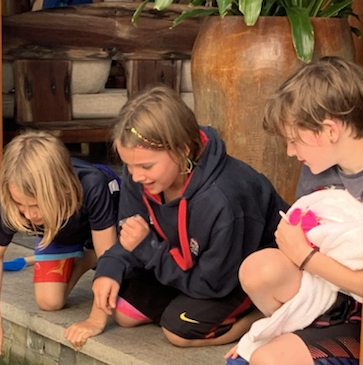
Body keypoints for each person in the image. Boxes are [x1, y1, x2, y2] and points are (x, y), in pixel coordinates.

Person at [65, 84, 288, 350]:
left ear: (182, 150)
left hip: (236, 278)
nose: (136, 176)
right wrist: (109, 269)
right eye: (129, 166)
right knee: (121, 307)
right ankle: (185, 304)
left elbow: (213, 285)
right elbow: (129, 237)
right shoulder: (142, 178)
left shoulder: (224, 198)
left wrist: (150, 250)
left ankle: (262, 318)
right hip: (185, 265)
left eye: (146, 166)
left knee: (179, 329)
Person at [225, 56, 363, 365]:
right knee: (257, 269)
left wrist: (305, 256)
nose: (291, 152)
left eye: (295, 140)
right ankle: (296, 337)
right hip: (327, 298)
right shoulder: (318, 170)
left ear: (330, 130)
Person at [0, 130, 120, 365]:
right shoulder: (12, 205)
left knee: (113, 271)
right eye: (21, 205)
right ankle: (87, 258)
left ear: (61, 188)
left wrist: (95, 320)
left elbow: (109, 258)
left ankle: (92, 255)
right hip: (60, 231)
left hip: (107, 228)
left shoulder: (93, 184)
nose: (29, 215)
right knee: (49, 301)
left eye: (36, 205)